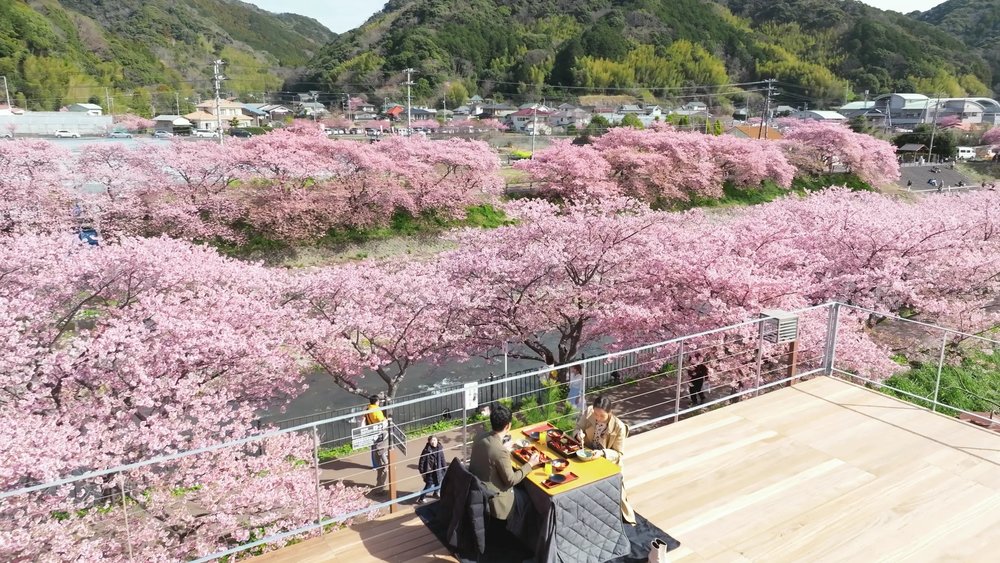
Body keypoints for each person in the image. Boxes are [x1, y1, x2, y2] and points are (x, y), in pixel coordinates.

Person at [469, 403, 541, 520]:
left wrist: (503, 447)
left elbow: (492, 452)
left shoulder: (479, 437)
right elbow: (511, 480)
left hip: (479, 491)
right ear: (508, 426)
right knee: (530, 500)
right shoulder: (500, 451)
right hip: (496, 500)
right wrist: (530, 464)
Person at [573, 396, 636, 524]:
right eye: (596, 414)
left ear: (610, 413)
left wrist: (602, 453)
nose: (597, 418)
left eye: (602, 416)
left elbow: (618, 454)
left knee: (617, 495)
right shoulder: (589, 412)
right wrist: (578, 434)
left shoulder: (619, 427)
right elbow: (577, 427)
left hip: (607, 462)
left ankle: (625, 518)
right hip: (587, 455)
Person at [363, 395, 388, 495]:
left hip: (371, 431)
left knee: (376, 454)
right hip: (378, 432)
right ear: (377, 402)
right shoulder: (377, 410)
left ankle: (376, 466)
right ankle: (380, 489)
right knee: (383, 466)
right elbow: (382, 421)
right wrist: (386, 420)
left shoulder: (367, 408)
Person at [417, 435, 446, 504]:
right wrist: (422, 471)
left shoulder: (439, 448)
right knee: (428, 485)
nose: (433, 442)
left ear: (437, 440)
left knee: (438, 482)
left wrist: (444, 468)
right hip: (430, 471)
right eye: (432, 440)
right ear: (429, 442)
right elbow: (422, 461)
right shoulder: (426, 450)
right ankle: (421, 498)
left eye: (434, 440)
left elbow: (442, 458)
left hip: (438, 469)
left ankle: (435, 493)